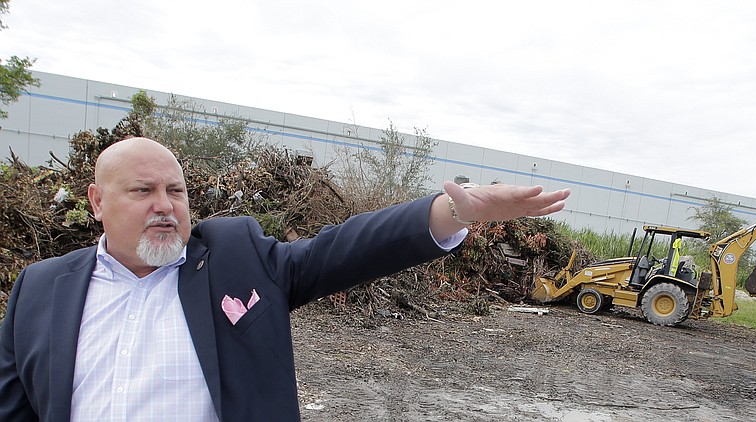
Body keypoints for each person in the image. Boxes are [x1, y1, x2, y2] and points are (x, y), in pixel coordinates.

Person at [0, 137, 570, 421]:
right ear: (97, 201)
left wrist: (454, 214)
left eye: (176, 191)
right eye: (142, 192)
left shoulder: (234, 259)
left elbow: (342, 251)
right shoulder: (41, 290)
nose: (165, 206)